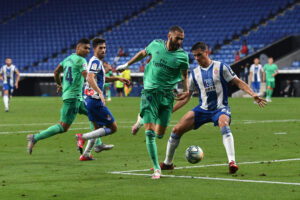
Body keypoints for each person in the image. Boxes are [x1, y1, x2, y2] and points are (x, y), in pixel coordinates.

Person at [157, 41, 266, 174]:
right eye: (195, 56)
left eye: (199, 55)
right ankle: (168, 164)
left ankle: (232, 162)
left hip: (220, 109)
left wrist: (253, 94)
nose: (197, 58)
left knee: (224, 124)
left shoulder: (221, 67)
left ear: (206, 52)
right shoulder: (195, 73)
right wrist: (170, 111)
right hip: (202, 109)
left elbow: (238, 82)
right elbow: (187, 96)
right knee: (176, 129)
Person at [116, 25, 189, 179]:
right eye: (178, 38)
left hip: (167, 97)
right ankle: (157, 168)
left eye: (182, 39)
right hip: (149, 92)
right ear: (169, 35)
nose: (180, 41)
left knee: (160, 134)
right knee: (149, 133)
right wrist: (127, 65)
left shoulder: (183, 56)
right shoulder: (156, 44)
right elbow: (143, 53)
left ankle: (139, 121)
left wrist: (186, 90)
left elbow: (184, 74)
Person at [26, 38, 109, 156]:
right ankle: (34, 137)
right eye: (85, 48)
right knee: (63, 127)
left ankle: (98, 143)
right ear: (78, 48)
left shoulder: (68, 58)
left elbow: (56, 72)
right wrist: (100, 85)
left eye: (89, 49)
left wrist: (59, 84)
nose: (87, 51)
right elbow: (89, 77)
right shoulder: (81, 61)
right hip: (73, 98)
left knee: (94, 114)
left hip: (77, 98)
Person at [76, 38, 130, 160]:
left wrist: (117, 79)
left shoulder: (95, 62)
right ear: (94, 49)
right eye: (100, 48)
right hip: (95, 100)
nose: (103, 50)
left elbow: (101, 78)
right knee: (113, 127)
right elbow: (89, 78)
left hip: (88, 100)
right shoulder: (95, 62)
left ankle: (85, 154)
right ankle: (82, 137)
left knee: (97, 129)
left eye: (105, 48)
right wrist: (100, 92)